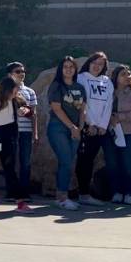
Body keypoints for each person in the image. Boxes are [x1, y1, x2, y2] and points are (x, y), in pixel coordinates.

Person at [0, 77, 30, 213]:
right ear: (7, 89)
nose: (17, 93)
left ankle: (20, 201)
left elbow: (28, 109)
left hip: (8, 138)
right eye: (15, 90)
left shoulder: (16, 99)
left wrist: (26, 111)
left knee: (10, 168)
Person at [47, 56, 87, 210]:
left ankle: (62, 196)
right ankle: (61, 198)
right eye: (65, 66)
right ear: (61, 69)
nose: (69, 69)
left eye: (72, 66)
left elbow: (83, 109)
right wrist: (72, 127)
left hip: (76, 130)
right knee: (65, 161)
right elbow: (57, 109)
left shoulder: (80, 87)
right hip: (59, 128)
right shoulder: (57, 86)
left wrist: (80, 128)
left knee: (69, 163)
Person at [75, 52, 115, 205]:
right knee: (84, 160)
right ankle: (83, 194)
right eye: (95, 62)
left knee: (92, 161)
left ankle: (88, 193)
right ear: (89, 62)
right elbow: (83, 103)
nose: (97, 66)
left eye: (101, 64)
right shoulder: (81, 78)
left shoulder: (107, 81)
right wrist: (90, 123)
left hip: (101, 129)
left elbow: (108, 104)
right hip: (87, 126)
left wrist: (103, 126)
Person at [106, 65, 131, 205]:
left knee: (128, 163)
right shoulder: (108, 92)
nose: (128, 76)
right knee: (112, 163)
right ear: (116, 77)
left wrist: (121, 116)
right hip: (111, 132)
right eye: (124, 74)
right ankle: (116, 192)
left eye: (129, 74)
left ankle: (130, 192)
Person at [7, 62, 38, 201]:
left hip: (26, 131)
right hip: (9, 131)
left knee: (25, 162)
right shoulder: (4, 90)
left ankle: (24, 192)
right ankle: (12, 192)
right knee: (9, 161)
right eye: (17, 71)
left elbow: (34, 113)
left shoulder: (30, 92)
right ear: (10, 74)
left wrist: (35, 132)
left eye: (23, 71)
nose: (21, 73)